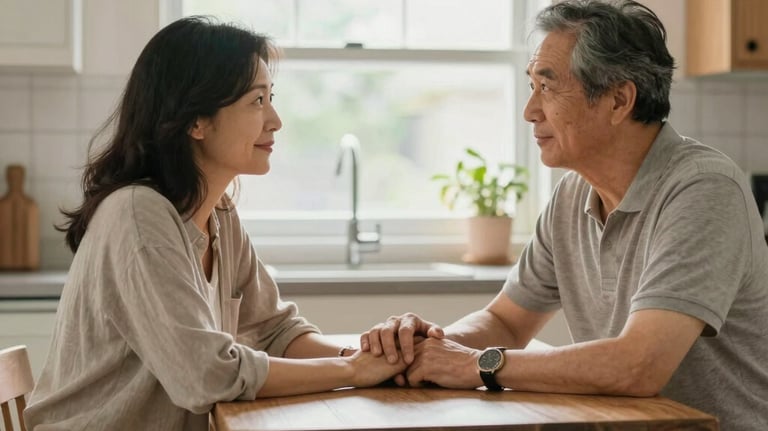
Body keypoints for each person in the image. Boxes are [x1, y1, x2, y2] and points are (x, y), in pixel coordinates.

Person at [361, 1, 768, 429]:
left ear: (618, 100)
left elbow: (639, 365)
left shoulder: (704, 189)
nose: (529, 111)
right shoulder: (573, 194)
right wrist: (428, 348)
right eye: (531, 86)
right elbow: (504, 321)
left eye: (547, 87)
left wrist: (475, 364)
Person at [24, 16, 406, 431]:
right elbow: (206, 375)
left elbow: (275, 331)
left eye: (270, 98)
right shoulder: (138, 215)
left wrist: (370, 358)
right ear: (196, 121)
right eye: (257, 101)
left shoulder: (218, 214)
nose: (275, 120)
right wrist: (353, 372)